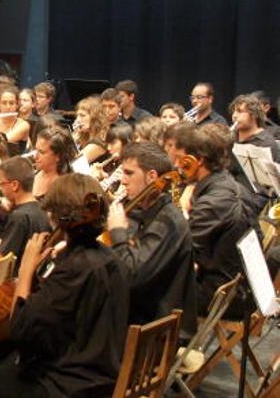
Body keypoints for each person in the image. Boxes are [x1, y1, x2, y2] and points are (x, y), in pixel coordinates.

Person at [0, 173, 129, 398]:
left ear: (57, 217)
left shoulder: (73, 267)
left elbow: (20, 329)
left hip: (65, 386)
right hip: (101, 378)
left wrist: (26, 270)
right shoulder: (110, 257)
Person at [106, 142, 197, 334]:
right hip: (134, 316)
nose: (122, 180)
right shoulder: (144, 210)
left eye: (129, 173)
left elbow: (132, 275)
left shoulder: (168, 223)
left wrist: (117, 233)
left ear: (152, 177)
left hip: (149, 331)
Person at [172, 125, 252, 319]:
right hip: (227, 284)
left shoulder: (214, 203)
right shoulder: (226, 183)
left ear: (198, 160)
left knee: (141, 289)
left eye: (181, 159)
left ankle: (162, 345)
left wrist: (180, 212)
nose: (176, 166)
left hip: (221, 296)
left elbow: (182, 251)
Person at [0, 156, 51, 268]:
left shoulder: (20, 217)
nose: (0, 188)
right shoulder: (41, 207)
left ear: (14, 185)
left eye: (1, 184)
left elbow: (0, 261)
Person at [229, 94, 280, 162]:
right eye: (234, 111)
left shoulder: (266, 143)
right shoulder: (230, 137)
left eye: (240, 111)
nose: (234, 115)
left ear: (254, 114)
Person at [32, 127, 76, 199]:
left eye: (41, 152)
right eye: (36, 150)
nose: (35, 156)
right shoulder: (33, 174)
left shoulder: (64, 189)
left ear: (58, 156)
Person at [0, 86, 30, 157]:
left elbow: (3, 141)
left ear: (17, 105)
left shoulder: (23, 125)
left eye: (11, 103)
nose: (8, 107)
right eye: (4, 103)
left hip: (14, 165)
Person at [73, 95, 109, 164]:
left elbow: (76, 164)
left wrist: (71, 141)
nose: (77, 120)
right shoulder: (84, 137)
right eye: (77, 116)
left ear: (95, 118)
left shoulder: (98, 143)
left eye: (82, 115)